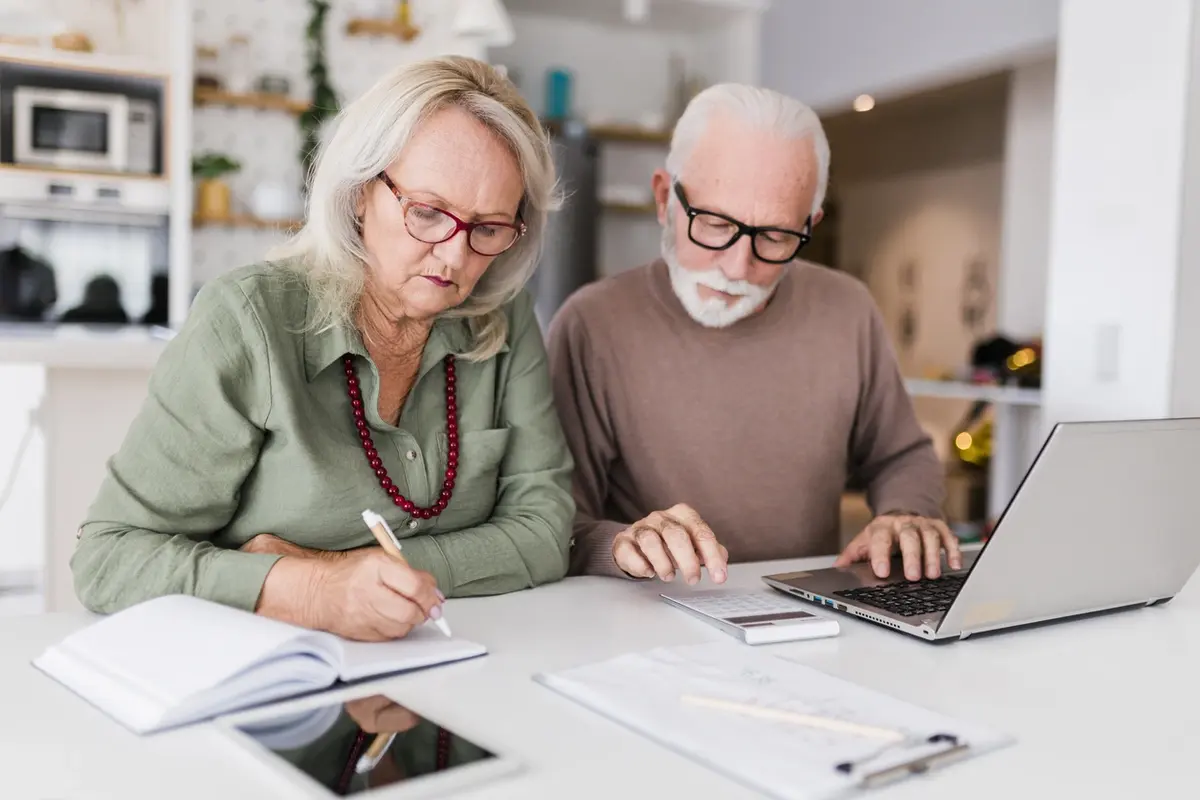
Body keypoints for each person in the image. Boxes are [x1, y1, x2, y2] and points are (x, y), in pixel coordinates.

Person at [72, 56, 574, 641]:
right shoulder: (249, 319)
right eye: (428, 213)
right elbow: (108, 558)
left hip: (451, 667)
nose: (456, 257)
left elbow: (544, 531)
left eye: (488, 229)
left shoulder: (502, 315)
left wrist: (342, 572)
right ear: (361, 193)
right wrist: (305, 593)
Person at [547, 83, 958, 587]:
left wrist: (907, 513)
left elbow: (901, 455)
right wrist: (621, 544)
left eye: (776, 236)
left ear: (811, 224)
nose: (738, 267)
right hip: (648, 619)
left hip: (808, 614)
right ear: (663, 199)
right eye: (715, 224)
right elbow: (557, 525)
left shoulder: (848, 309)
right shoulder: (591, 325)